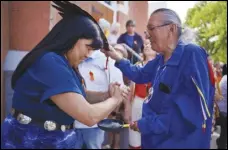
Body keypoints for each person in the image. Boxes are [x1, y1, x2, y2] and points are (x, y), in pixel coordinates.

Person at [1, 2, 130, 149]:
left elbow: (78, 96)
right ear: (72, 38)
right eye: (88, 47)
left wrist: (105, 95)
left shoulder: (64, 62)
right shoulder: (50, 63)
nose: (88, 54)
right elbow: (89, 116)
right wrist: (115, 99)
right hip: (32, 141)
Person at [102, 8, 215, 149]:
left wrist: (147, 124)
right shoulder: (162, 58)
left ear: (172, 29)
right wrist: (116, 56)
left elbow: (192, 114)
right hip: (155, 141)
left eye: (151, 29)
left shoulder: (191, 54)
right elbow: (140, 74)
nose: (147, 36)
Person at [74, 50, 124, 149]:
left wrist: (113, 110)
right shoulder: (71, 58)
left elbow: (119, 92)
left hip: (94, 125)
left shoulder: (107, 60)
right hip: (70, 124)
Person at [129, 41, 157, 149]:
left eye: (150, 44)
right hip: (137, 102)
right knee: (135, 135)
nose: (147, 46)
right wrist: (128, 107)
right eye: (145, 45)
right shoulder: (137, 66)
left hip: (153, 105)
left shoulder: (160, 67)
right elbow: (131, 89)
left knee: (151, 134)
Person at [216, 64, 227, 149]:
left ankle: (221, 142)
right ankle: (221, 143)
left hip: (220, 110)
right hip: (223, 112)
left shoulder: (224, 78)